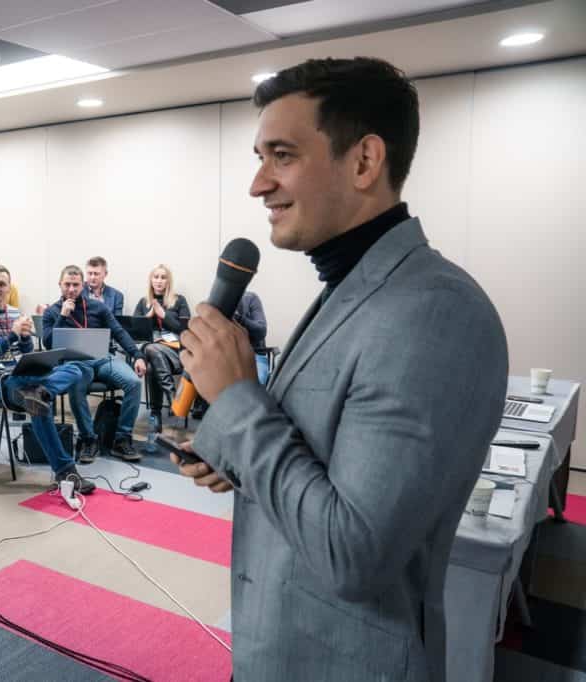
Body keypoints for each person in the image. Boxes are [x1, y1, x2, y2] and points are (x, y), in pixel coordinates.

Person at [174, 58, 507, 682]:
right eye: (260, 157)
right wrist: (236, 457)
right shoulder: (353, 289)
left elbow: (353, 553)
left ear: (364, 162)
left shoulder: (434, 312)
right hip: (280, 647)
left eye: (282, 155)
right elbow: (324, 459)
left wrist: (240, 401)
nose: (258, 184)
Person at [0, 265, 95, 491]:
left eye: (2, 284)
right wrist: (12, 335)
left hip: (21, 376)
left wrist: (25, 338)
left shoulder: (16, 313)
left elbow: (27, 352)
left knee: (74, 369)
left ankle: (39, 393)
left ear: (9, 287)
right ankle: (66, 472)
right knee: (37, 401)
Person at [42, 265, 146, 463]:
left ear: (82, 285)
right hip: (75, 364)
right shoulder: (52, 312)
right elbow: (48, 343)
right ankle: (88, 439)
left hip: (102, 358)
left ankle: (122, 439)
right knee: (75, 386)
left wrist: (138, 355)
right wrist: (63, 316)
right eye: (67, 284)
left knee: (134, 383)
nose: (71, 289)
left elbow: (119, 332)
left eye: (76, 285)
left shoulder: (98, 307)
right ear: (60, 284)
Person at [132, 264, 190, 429]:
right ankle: (172, 397)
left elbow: (184, 330)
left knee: (151, 366)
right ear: (151, 280)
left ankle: (155, 413)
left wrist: (164, 315)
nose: (159, 281)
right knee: (151, 349)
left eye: (163, 277)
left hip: (174, 351)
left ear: (168, 281)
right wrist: (149, 315)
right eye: (156, 277)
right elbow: (135, 333)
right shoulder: (144, 302)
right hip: (150, 347)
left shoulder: (179, 300)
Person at [233, 291, 270, 386]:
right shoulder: (216, 304)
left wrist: (239, 319)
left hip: (255, 356)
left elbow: (261, 331)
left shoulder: (250, 298)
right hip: (230, 359)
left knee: (255, 385)